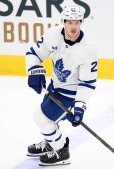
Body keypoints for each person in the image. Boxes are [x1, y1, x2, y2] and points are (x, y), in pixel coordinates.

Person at [24, 5, 98, 166]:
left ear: (81, 23)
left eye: (76, 22)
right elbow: (34, 53)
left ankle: (61, 150)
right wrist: (33, 70)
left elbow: (87, 82)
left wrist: (79, 106)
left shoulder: (88, 49)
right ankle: (51, 143)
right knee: (50, 119)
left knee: (42, 119)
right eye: (69, 22)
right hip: (55, 86)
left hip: (70, 94)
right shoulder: (53, 34)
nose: (73, 26)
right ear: (63, 22)